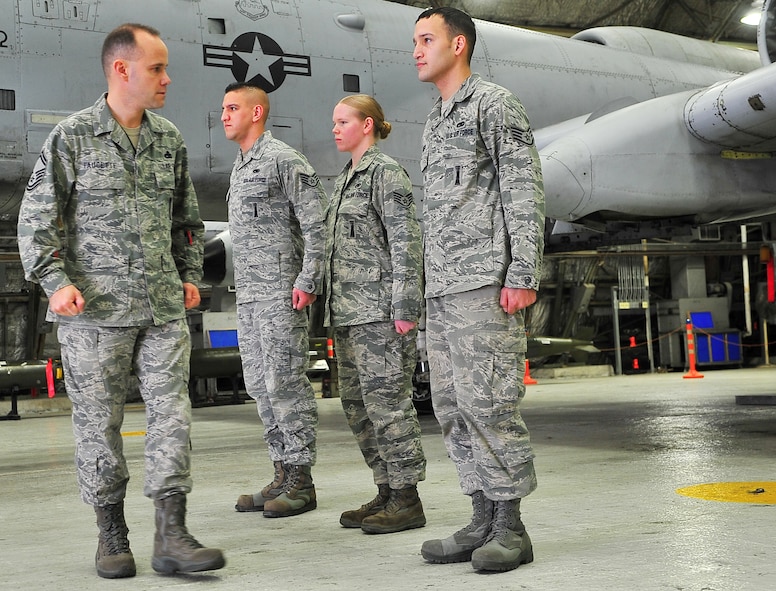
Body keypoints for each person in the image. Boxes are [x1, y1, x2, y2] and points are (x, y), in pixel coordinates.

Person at [16, 24, 225, 578]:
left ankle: (172, 534)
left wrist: (188, 273)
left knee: (172, 416)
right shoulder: (72, 137)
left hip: (161, 309)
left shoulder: (169, 139)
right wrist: (55, 281)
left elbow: (186, 221)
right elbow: (35, 221)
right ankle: (111, 532)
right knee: (98, 425)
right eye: (157, 68)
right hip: (94, 313)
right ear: (121, 69)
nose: (167, 78)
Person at [412, 7, 545, 573]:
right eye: (415, 41)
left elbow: (524, 189)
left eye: (426, 39)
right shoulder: (435, 120)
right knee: (450, 406)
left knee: (490, 403)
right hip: (442, 288)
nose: (416, 50)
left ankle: (511, 526)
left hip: (484, 283)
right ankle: (481, 517)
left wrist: (522, 273)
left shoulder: (494, 104)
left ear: (458, 44)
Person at [222, 82, 327, 518]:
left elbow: (318, 222)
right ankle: (282, 472)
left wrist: (309, 279)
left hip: (282, 294)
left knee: (285, 384)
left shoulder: (283, 159)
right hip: (249, 296)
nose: (224, 116)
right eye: (224, 109)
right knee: (260, 387)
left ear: (256, 112)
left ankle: (301, 480)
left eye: (232, 108)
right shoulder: (240, 166)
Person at [325, 95, 427, 534]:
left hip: (381, 314)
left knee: (388, 407)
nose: (335, 129)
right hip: (348, 314)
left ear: (367, 125)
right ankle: (386, 489)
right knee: (357, 408)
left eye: (342, 121)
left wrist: (405, 305)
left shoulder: (385, 173)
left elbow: (406, 242)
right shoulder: (344, 180)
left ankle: (407, 497)